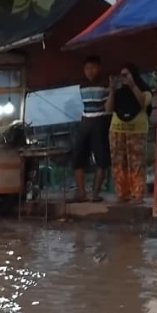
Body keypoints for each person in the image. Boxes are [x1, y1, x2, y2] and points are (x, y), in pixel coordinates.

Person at [106, 63, 153, 203]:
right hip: (117, 130)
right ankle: (122, 193)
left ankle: (137, 194)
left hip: (137, 131)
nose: (124, 78)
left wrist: (133, 86)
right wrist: (112, 91)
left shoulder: (144, 89)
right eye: (122, 75)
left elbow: (143, 102)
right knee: (118, 164)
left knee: (136, 163)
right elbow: (108, 109)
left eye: (126, 75)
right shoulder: (119, 91)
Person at [70, 55, 110, 203]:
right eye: (87, 68)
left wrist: (112, 91)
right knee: (77, 159)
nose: (90, 71)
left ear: (99, 68)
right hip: (85, 122)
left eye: (93, 68)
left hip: (100, 122)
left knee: (101, 161)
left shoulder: (106, 84)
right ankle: (82, 193)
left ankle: (95, 194)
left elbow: (108, 107)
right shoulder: (81, 86)